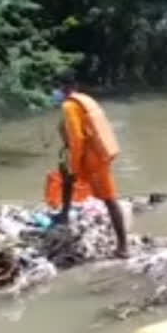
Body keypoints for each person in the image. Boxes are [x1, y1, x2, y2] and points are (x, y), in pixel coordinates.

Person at [52, 71, 128, 258]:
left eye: (57, 87)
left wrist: (76, 164)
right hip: (97, 152)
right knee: (66, 176)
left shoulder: (70, 106)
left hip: (92, 156)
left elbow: (77, 137)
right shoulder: (84, 99)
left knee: (109, 198)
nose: (55, 92)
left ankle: (123, 246)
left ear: (63, 87)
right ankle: (64, 214)